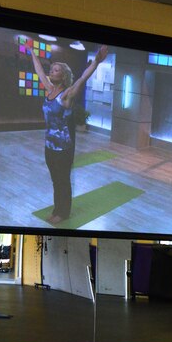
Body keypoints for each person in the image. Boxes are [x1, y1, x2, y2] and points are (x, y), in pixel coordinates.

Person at [29, 45, 109, 224]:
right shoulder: (50, 89)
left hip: (63, 148)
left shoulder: (67, 95)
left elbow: (83, 78)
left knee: (63, 180)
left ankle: (63, 212)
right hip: (49, 145)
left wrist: (96, 62)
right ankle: (57, 209)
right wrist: (32, 52)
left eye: (56, 70)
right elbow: (39, 71)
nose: (52, 71)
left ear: (63, 75)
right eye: (52, 69)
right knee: (55, 180)